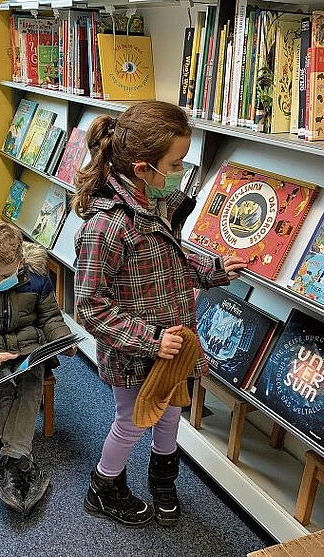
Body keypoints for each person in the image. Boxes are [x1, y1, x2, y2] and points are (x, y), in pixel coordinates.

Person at [72, 101, 248, 528]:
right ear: (142, 167)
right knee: (132, 422)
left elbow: (171, 261)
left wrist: (214, 270)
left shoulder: (154, 206)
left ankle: (162, 476)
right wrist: (151, 339)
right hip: (137, 353)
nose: (179, 172)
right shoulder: (107, 227)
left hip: (171, 350)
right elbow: (89, 306)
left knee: (170, 413)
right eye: (175, 163)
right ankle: (103, 486)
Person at [0, 220, 74, 515]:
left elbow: (50, 319)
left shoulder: (37, 281)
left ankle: (11, 458)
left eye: (4, 275)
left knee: (32, 383)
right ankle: (21, 458)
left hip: (28, 349)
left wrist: (63, 340)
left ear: (20, 262)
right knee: (0, 387)